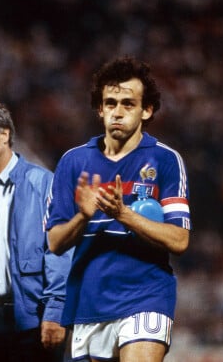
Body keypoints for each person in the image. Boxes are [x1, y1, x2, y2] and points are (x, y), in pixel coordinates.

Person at [46, 56, 191, 362]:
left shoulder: (165, 160)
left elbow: (179, 240)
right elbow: (55, 242)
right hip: (87, 301)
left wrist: (124, 214)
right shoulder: (73, 162)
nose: (118, 112)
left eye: (128, 103)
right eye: (110, 103)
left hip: (145, 295)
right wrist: (83, 216)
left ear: (146, 110)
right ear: (100, 109)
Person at [0, 100, 72, 361]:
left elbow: (59, 251)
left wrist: (55, 311)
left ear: (5, 133)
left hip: (29, 320)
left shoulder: (42, 182)